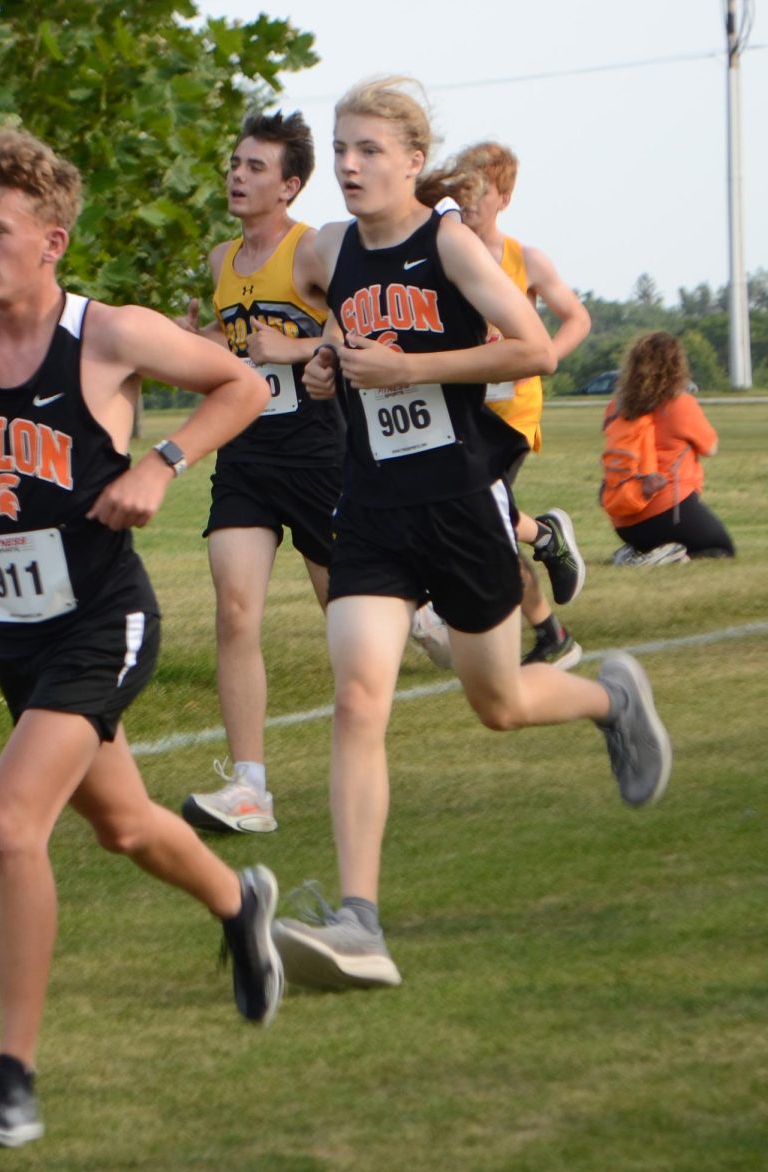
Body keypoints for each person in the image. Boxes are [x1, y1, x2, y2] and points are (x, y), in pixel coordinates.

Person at [0, 128, 283, 1149]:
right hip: (15, 633)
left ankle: (14, 1081)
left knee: (10, 825)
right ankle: (240, 905)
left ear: (49, 240)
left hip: (105, 617)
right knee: (126, 825)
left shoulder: (108, 334)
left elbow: (245, 383)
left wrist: (160, 463)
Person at [269, 78, 672, 991]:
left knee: (498, 703)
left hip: (459, 503)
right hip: (369, 508)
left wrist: (409, 366)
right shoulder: (329, 252)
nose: (347, 164)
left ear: (412, 161)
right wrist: (334, 365)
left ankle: (612, 701)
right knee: (357, 695)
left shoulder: (445, 241)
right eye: (339, 148)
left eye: (368, 149)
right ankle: (358, 921)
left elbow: (530, 347)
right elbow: (346, 337)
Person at [178, 111, 345, 835]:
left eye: (254, 168)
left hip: (317, 452)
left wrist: (302, 349)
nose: (237, 177)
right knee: (235, 608)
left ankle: (431, 611)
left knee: (349, 620)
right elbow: (235, 340)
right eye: (234, 163)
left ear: (289, 186)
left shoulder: (312, 252)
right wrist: (194, 341)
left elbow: (356, 326)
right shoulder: (221, 260)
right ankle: (250, 790)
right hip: (245, 452)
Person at [412, 141, 591, 671]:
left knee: (478, 515)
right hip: (458, 410)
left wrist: (539, 359)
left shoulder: (525, 259)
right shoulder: (446, 254)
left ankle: (545, 615)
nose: (467, 198)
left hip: (509, 415)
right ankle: (546, 575)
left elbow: (576, 318)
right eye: (461, 185)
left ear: (504, 198)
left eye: (480, 189)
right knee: (482, 524)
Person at [602, 331, 734, 564]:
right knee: (721, 548)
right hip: (669, 511)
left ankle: (639, 551)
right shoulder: (681, 404)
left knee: (664, 535)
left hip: (623, 517)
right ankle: (666, 556)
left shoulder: (616, 407)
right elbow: (711, 447)